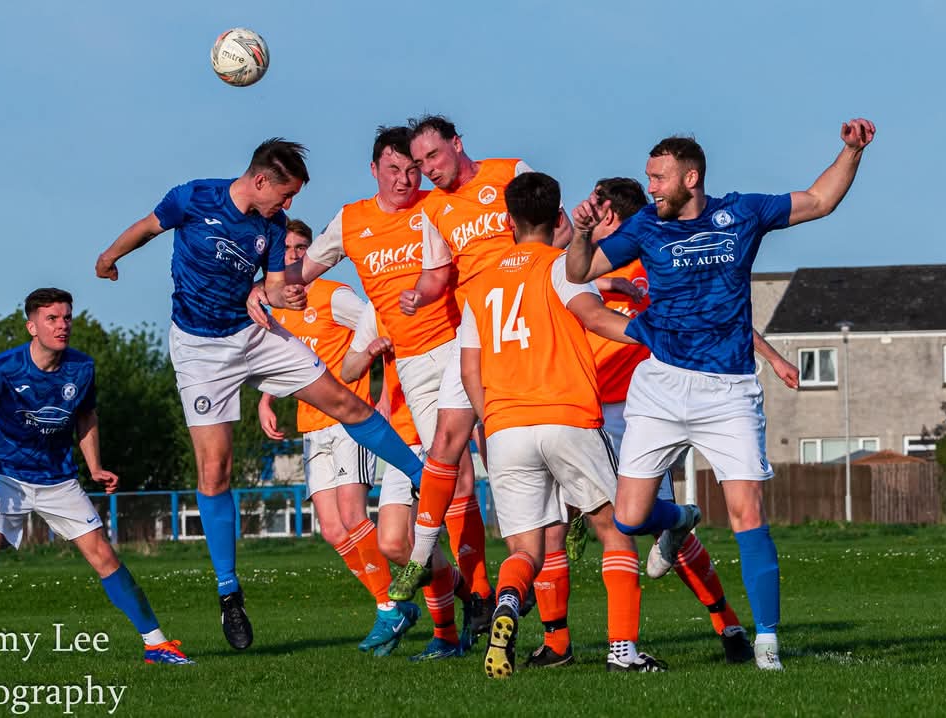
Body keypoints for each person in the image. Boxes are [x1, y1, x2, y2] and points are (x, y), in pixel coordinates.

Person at [566, 119, 877, 670]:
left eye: (659, 178)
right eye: (648, 178)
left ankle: (767, 644)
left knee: (745, 511)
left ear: (691, 177)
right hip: (661, 386)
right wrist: (584, 233)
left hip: (728, 390)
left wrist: (850, 151)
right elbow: (581, 270)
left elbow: (821, 200)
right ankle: (679, 519)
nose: (652, 187)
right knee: (631, 519)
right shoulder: (643, 226)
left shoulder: (744, 213)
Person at [96, 139, 426, 650]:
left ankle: (423, 475)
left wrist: (282, 294)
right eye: (286, 195)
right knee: (215, 471)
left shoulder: (270, 229)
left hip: (253, 335)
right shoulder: (194, 198)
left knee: (344, 401)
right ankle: (229, 594)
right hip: (200, 351)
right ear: (260, 181)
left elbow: (272, 287)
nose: (288, 207)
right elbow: (146, 227)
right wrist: (110, 257)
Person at [524, 177, 799, 669]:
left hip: (645, 404)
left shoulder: (655, 257)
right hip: (586, 404)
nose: (594, 213)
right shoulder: (590, 264)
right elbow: (564, 286)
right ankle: (558, 642)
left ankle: (726, 623)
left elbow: (718, 316)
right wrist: (603, 284)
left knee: (646, 527)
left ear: (616, 216)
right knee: (578, 524)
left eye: (602, 207)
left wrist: (772, 356)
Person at [251, 126, 491, 651]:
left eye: (413, 169)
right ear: (374, 171)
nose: (407, 179)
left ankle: (477, 599)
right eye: (394, 170)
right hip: (408, 369)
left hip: (455, 347)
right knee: (409, 517)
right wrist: (261, 288)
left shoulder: (437, 207)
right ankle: (459, 610)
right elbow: (302, 272)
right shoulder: (352, 220)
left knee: (454, 476)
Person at [460, 171, 671, 677]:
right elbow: (597, 320)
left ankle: (508, 603)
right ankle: (623, 654)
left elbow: (471, 369)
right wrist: (658, 337)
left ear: (509, 221)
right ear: (558, 219)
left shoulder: (481, 282)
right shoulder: (562, 268)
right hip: (566, 416)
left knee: (527, 549)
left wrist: (490, 422)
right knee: (614, 531)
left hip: (506, 426)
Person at [0, 289, 191, 670]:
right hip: (6, 477)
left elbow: (86, 417)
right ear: (32, 326)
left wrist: (94, 466)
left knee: (105, 557)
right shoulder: (3, 367)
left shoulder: (82, 367)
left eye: (66, 318)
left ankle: (157, 644)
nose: (62, 326)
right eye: (52, 319)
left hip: (58, 480)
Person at [389, 115, 572, 608]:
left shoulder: (509, 171)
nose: (427, 169)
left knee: (508, 452)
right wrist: (418, 296)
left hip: (523, 329)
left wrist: (532, 283)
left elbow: (563, 232)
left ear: (457, 144)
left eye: (433, 156)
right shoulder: (434, 208)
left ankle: (531, 565)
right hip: (473, 331)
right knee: (447, 440)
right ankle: (421, 556)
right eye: (419, 161)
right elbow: (437, 274)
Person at [256, 220, 420, 655]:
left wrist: (384, 393)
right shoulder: (281, 305)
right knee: (331, 530)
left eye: (301, 247)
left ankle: (391, 608)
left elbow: (381, 328)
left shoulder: (333, 295)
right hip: (312, 425)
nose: (293, 255)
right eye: (287, 248)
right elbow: (283, 358)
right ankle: (391, 603)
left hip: (349, 419)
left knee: (352, 514)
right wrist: (266, 400)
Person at [341, 302, 476, 661]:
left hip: (440, 436)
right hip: (401, 441)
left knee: (421, 540)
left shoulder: (446, 299)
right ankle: (474, 600)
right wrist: (371, 352)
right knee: (392, 543)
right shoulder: (378, 306)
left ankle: (446, 637)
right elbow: (348, 370)